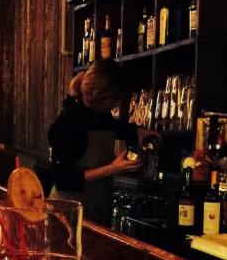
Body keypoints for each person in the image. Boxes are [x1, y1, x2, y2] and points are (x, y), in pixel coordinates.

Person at [48, 59, 155, 225]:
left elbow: (120, 129)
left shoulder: (101, 116)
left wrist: (139, 133)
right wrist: (112, 168)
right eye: (114, 99)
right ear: (97, 94)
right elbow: (63, 180)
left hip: (96, 209)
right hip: (66, 214)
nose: (117, 104)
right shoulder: (67, 123)